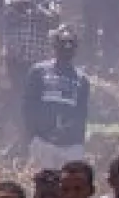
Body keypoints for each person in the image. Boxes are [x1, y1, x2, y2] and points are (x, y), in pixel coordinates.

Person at [0, 0, 62, 131]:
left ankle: (36, 134)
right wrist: (16, 8)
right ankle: (19, 136)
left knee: (38, 98)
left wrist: (34, 7)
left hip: (39, 56)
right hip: (16, 55)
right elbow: (6, 14)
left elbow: (54, 19)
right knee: (18, 97)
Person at [23, 25, 92, 169]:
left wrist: (78, 141)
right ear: (54, 45)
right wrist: (33, 135)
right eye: (63, 43)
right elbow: (28, 105)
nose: (67, 47)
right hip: (43, 141)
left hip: (70, 145)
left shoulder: (82, 79)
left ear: (75, 48)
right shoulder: (39, 71)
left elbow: (82, 112)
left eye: (71, 44)